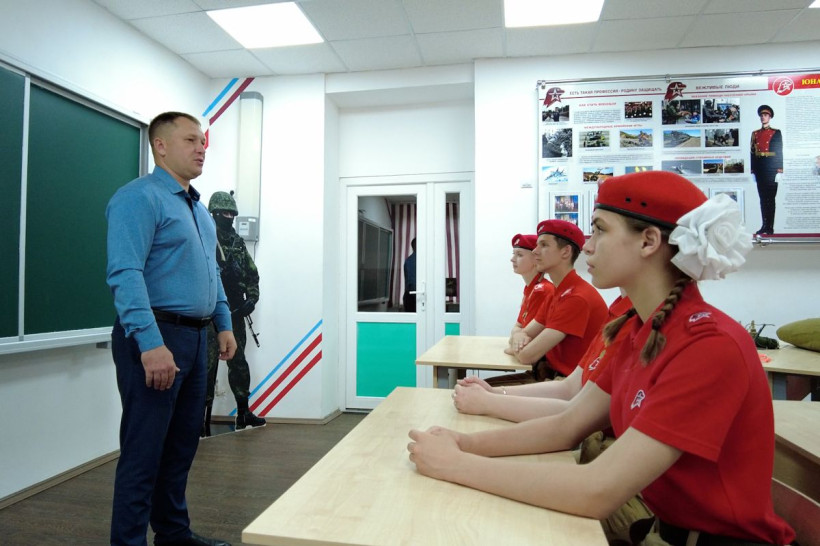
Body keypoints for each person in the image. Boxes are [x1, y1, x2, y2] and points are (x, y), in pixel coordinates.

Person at [408, 171, 795, 546]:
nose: (588, 247)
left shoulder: (707, 346)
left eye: (599, 230)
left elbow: (597, 490)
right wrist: (463, 443)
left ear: (648, 241)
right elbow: (567, 425)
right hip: (665, 528)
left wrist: (455, 463)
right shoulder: (638, 329)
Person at [106, 111, 236, 546]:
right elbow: (125, 273)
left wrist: (223, 323)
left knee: (181, 446)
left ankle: (173, 533)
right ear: (160, 146)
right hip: (156, 337)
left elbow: (212, 272)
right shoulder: (138, 198)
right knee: (144, 451)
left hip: (196, 338)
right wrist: (150, 343)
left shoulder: (198, 210)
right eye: (190, 140)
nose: (201, 148)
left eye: (203, 141)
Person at [456, 292, 630, 422]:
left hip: (558, 384)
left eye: (520, 257)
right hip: (561, 387)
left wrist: (489, 401)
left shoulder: (575, 297)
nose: (588, 250)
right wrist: (493, 393)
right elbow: (569, 388)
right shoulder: (616, 310)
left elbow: (526, 354)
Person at [491, 219, 607, 384]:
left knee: (476, 392)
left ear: (565, 252)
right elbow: (523, 333)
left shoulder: (576, 297)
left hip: (567, 383)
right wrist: (519, 338)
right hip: (549, 375)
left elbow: (527, 356)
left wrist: (518, 341)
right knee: (474, 387)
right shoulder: (558, 293)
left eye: (544, 245)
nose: (535, 251)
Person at [203, 191, 265, 435]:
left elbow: (252, 274)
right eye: (224, 213)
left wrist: (252, 299)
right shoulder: (205, 238)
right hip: (209, 315)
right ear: (214, 213)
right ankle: (201, 420)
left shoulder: (238, 243)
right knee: (207, 367)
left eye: (232, 213)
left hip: (235, 313)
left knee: (238, 364)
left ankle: (243, 412)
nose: (228, 217)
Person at [506, 233, 554, 356]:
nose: (512, 259)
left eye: (519, 255)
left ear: (535, 259)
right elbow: (518, 327)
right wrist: (515, 336)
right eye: (513, 254)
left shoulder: (543, 290)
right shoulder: (530, 288)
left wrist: (515, 338)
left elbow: (526, 339)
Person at [750, 104, 783, 235]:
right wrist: (753, 170)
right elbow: (752, 153)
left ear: (770, 117)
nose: (763, 117)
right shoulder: (755, 133)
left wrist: (779, 169)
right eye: (762, 115)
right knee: (763, 198)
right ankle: (764, 225)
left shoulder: (776, 132)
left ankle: (770, 227)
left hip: (771, 167)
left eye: (765, 115)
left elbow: (779, 151)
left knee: (771, 198)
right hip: (760, 168)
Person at [403, 238, 416, 312]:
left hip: (411, 297)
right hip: (415, 298)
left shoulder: (408, 260)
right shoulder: (412, 261)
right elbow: (413, 283)